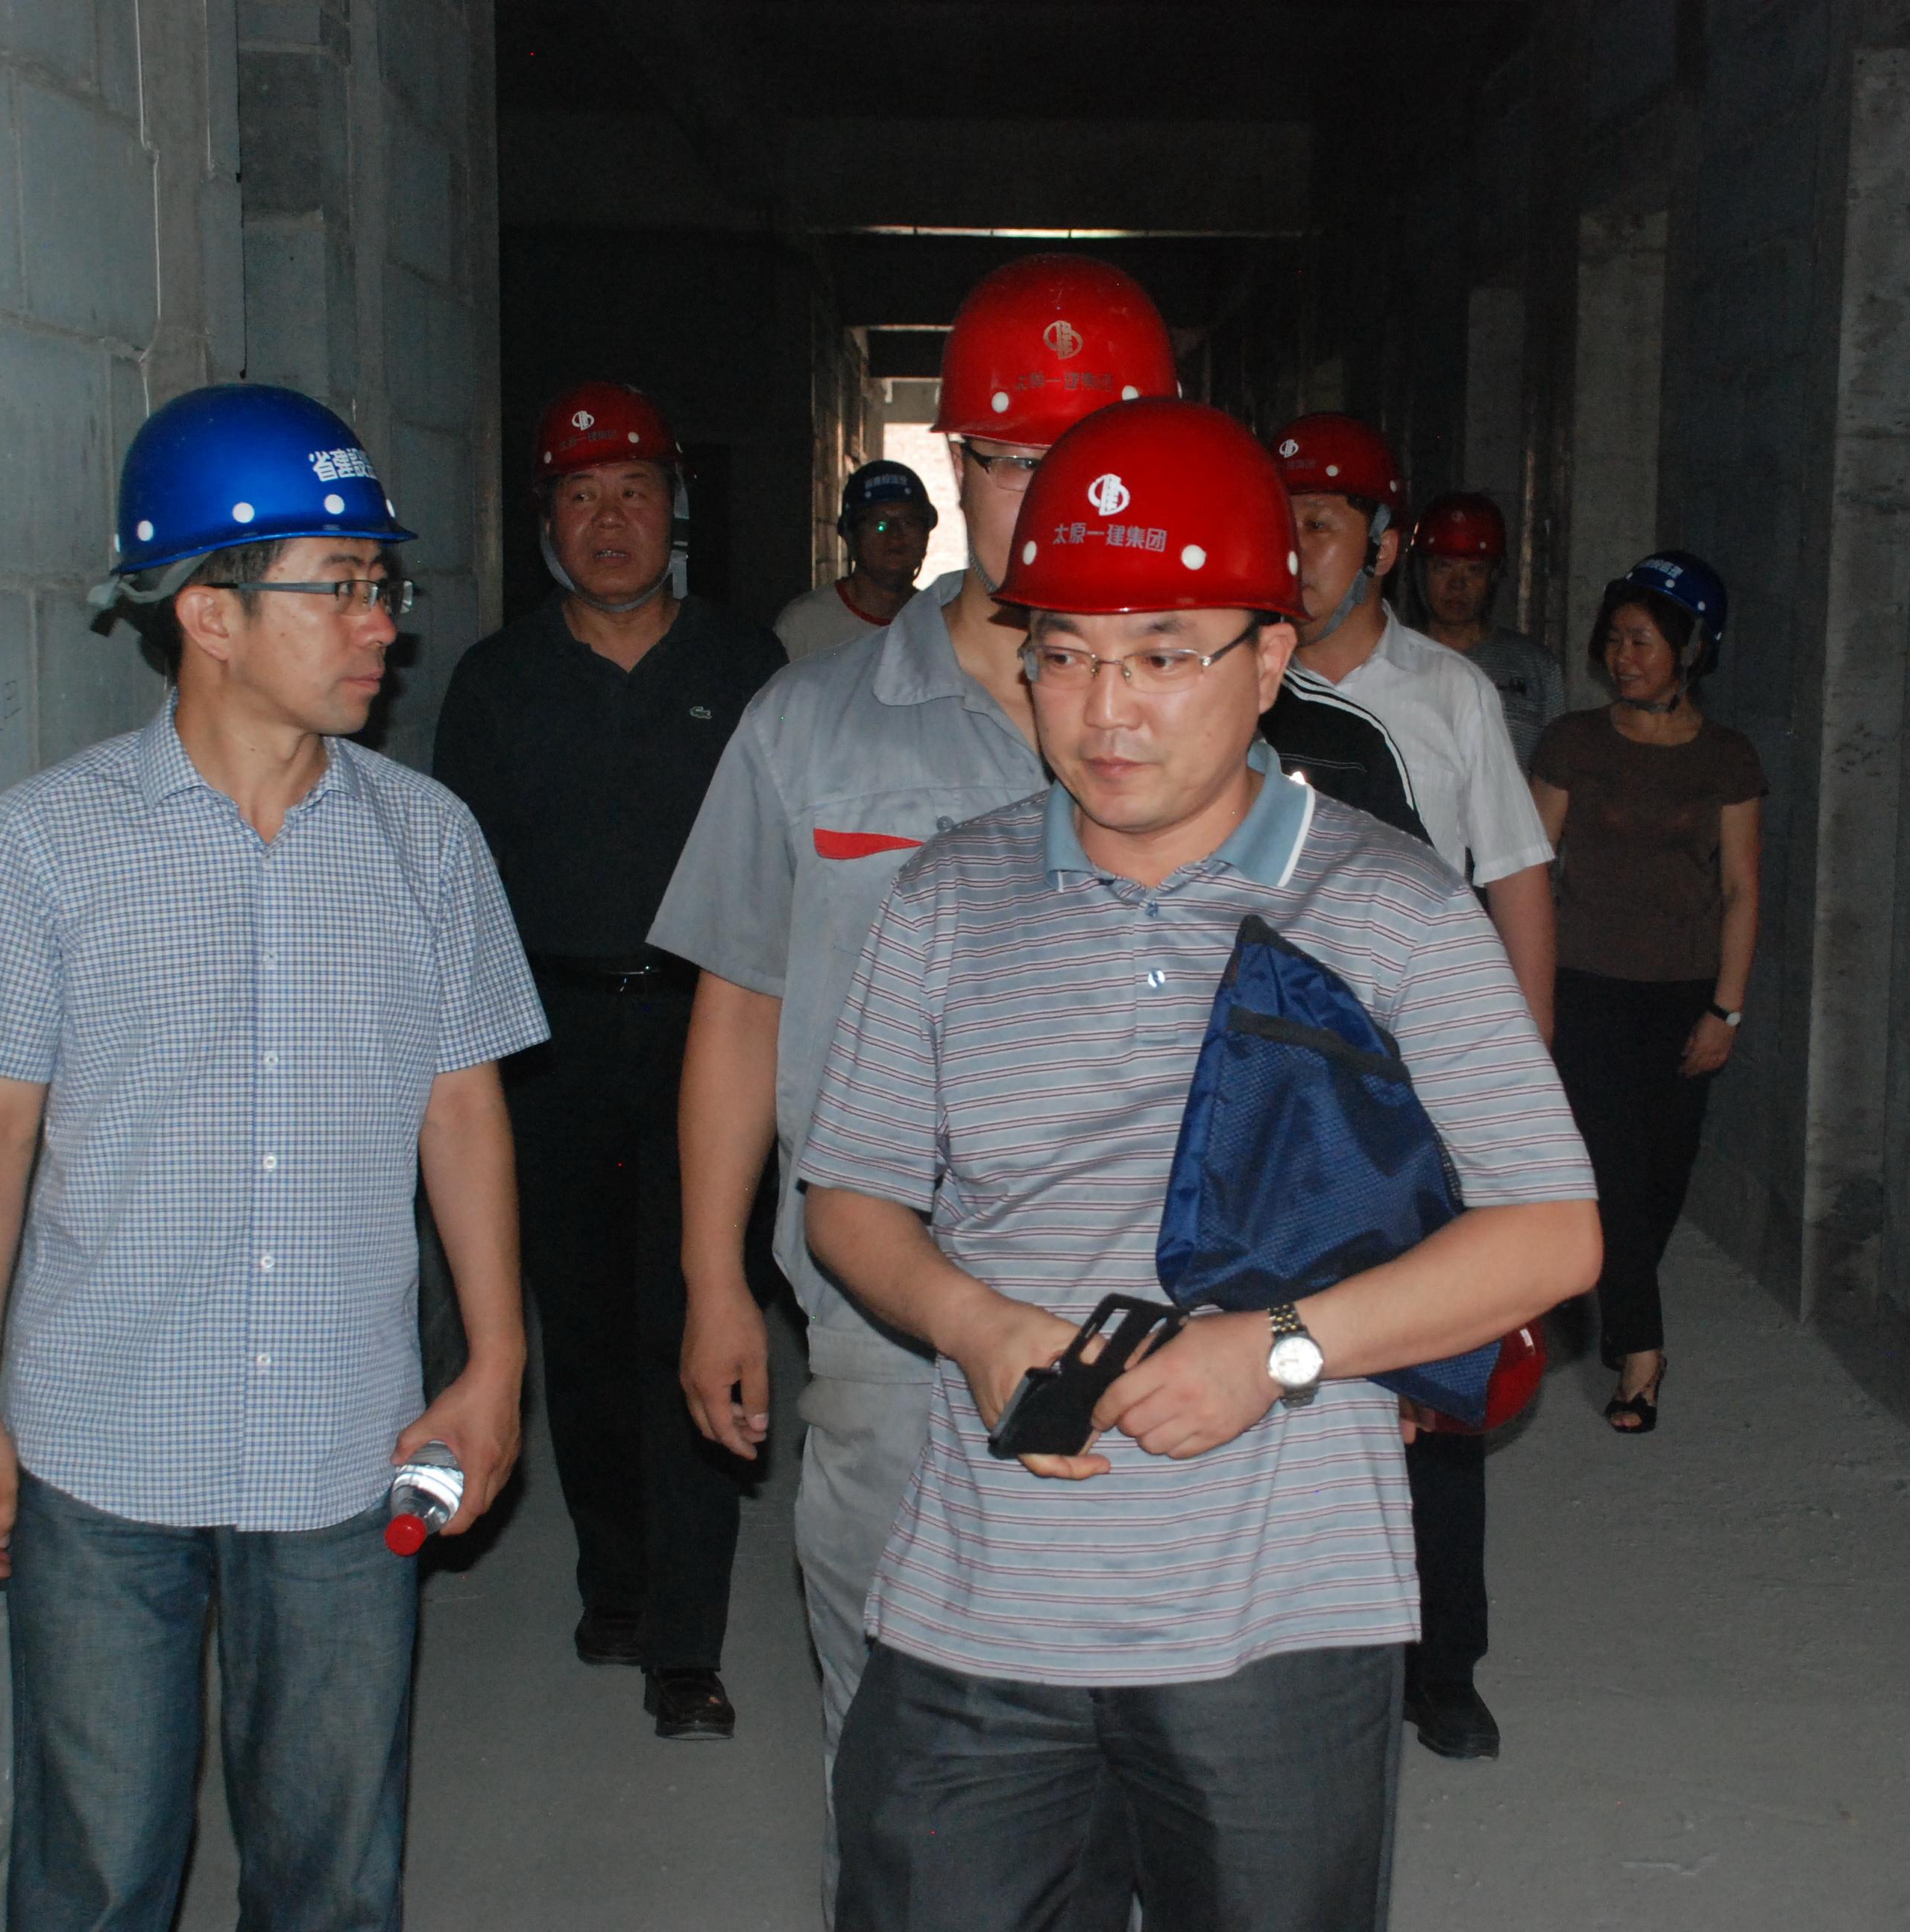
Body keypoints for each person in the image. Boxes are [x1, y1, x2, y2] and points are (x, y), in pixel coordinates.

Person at [798, 399, 1600, 1932]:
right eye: (1065, 654)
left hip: (1277, 1622)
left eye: (1164, 654)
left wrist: (1279, 1349)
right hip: (980, 1605)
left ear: (1269, 655)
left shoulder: (1392, 909)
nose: (1107, 709)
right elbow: (850, 1193)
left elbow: (1553, 1233)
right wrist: (974, 1325)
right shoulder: (949, 897)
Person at [0, 382, 546, 1927]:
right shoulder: (47, 842)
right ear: (209, 611)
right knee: (96, 1870)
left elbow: (462, 1108)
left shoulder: (430, 842)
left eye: (382, 584)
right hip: (99, 1443)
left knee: (332, 1872)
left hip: (347, 1442)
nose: (380, 624)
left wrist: (495, 1359)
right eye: (339, 587)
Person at [650, 253, 1179, 1910]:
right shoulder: (809, 727)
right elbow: (740, 1005)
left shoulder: (1217, 725)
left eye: (1090, 456)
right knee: (899, 1771)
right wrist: (713, 1280)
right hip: (884, 1343)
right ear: (957, 463)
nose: (1053, 497)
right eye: (1014, 460)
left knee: (1142, 1763)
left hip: (1154, 1335)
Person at [431, 380, 787, 1739]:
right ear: (547, 522)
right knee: (577, 1326)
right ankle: (618, 1581)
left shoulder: (748, 671)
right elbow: (460, 893)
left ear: (673, 507)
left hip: (712, 1030)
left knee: (697, 1306)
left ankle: (687, 1643)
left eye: (634, 490)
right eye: (581, 495)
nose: (610, 518)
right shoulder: (497, 683)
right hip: (549, 1041)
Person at [1270, 410, 1556, 1764]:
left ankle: (1441, 1665)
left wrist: (1519, 1095)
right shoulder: (1229, 677)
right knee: (1279, 1357)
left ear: (1383, 547)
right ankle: (1289, 1652)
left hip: (1413, 1081)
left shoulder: (1449, 698)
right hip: (1266, 1084)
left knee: (1434, 1369)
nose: (1294, 549)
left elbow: (1517, 881)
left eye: (1321, 524)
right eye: (1279, 521)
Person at [1529, 552, 1762, 1437]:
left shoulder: (1726, 759)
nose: (1621, 657)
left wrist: (1725, 1009)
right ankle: (1641, 1351)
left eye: (1641, 641)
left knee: (1661, 1178)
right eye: (1614, 639)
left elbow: (1740, 889)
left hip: (1683, 994)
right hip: (1584, 985)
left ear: (1690, 651)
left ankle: (1617, 1296)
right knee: (1609, 1169)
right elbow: (1527, 868)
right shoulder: (1571, 744)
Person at [1408, 491, 1564, 771]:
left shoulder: (1535, 667)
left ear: (1494, 575)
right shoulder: (1392, 657)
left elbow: (1555, 772)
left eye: (1474, 570)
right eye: (1443, 567)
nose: (1457, 585)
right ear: (1422, 572)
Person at [777, 458, 938, 661]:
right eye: (879, 523)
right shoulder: (804, 625)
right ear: (850, 535)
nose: (896, 535)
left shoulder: (941, 623)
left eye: (909, 522)